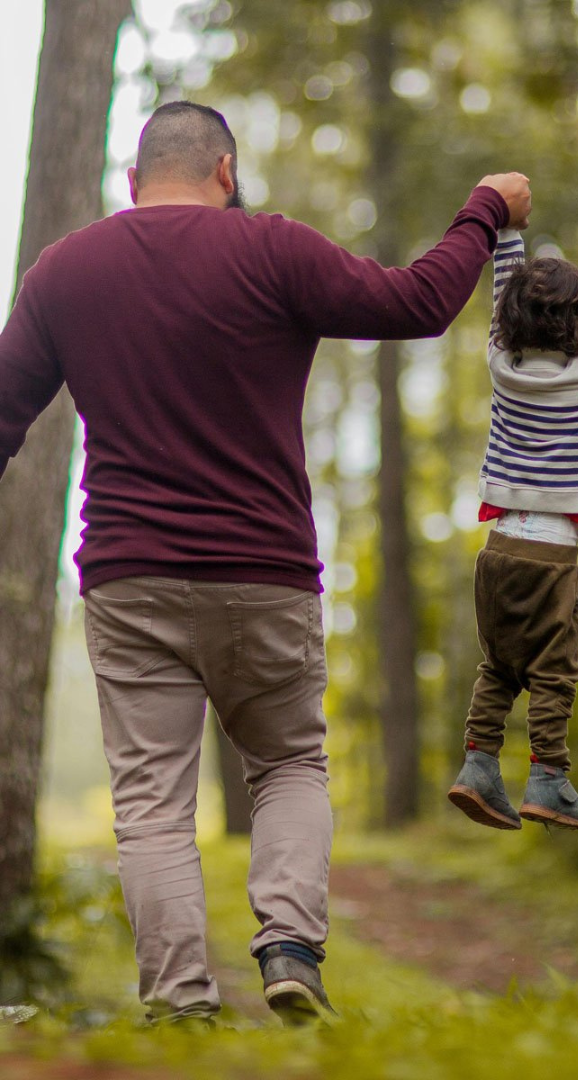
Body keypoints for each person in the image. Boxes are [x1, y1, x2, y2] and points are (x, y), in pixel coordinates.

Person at [0, 100, 531, 1026]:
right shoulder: (272, 249)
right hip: (265, 571)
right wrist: (484, 207)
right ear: (226, 172)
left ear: (134, 183)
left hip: (130, 576)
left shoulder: (65, 271)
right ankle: (289, 947)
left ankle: (179, 1004)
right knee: (288, 762)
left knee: (152, 804)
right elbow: (418, 303)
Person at [446, 227, 578, 831]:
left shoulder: (499, 365)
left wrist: (507, 232)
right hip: (551, 557)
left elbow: (499, 294)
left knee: (499, 666)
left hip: (498, 550)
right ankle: (548, 778)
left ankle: (478, 764)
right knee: (553, 673)